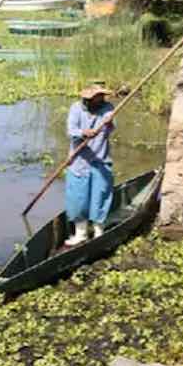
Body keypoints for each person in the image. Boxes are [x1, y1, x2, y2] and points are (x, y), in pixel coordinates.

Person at [64, 84, 117, 246]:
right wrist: (83, 133)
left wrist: (108, 123)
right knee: (77, 198)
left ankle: (98, 231)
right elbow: (71, 130)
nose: (100, 99)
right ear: (88, 98)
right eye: (97, 96)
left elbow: (110, 129)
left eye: (101, 96)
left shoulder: (108, 107)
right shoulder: (76, 108)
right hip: (79, 161)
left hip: (100, 159)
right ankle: (81, 233)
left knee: (100, 195)